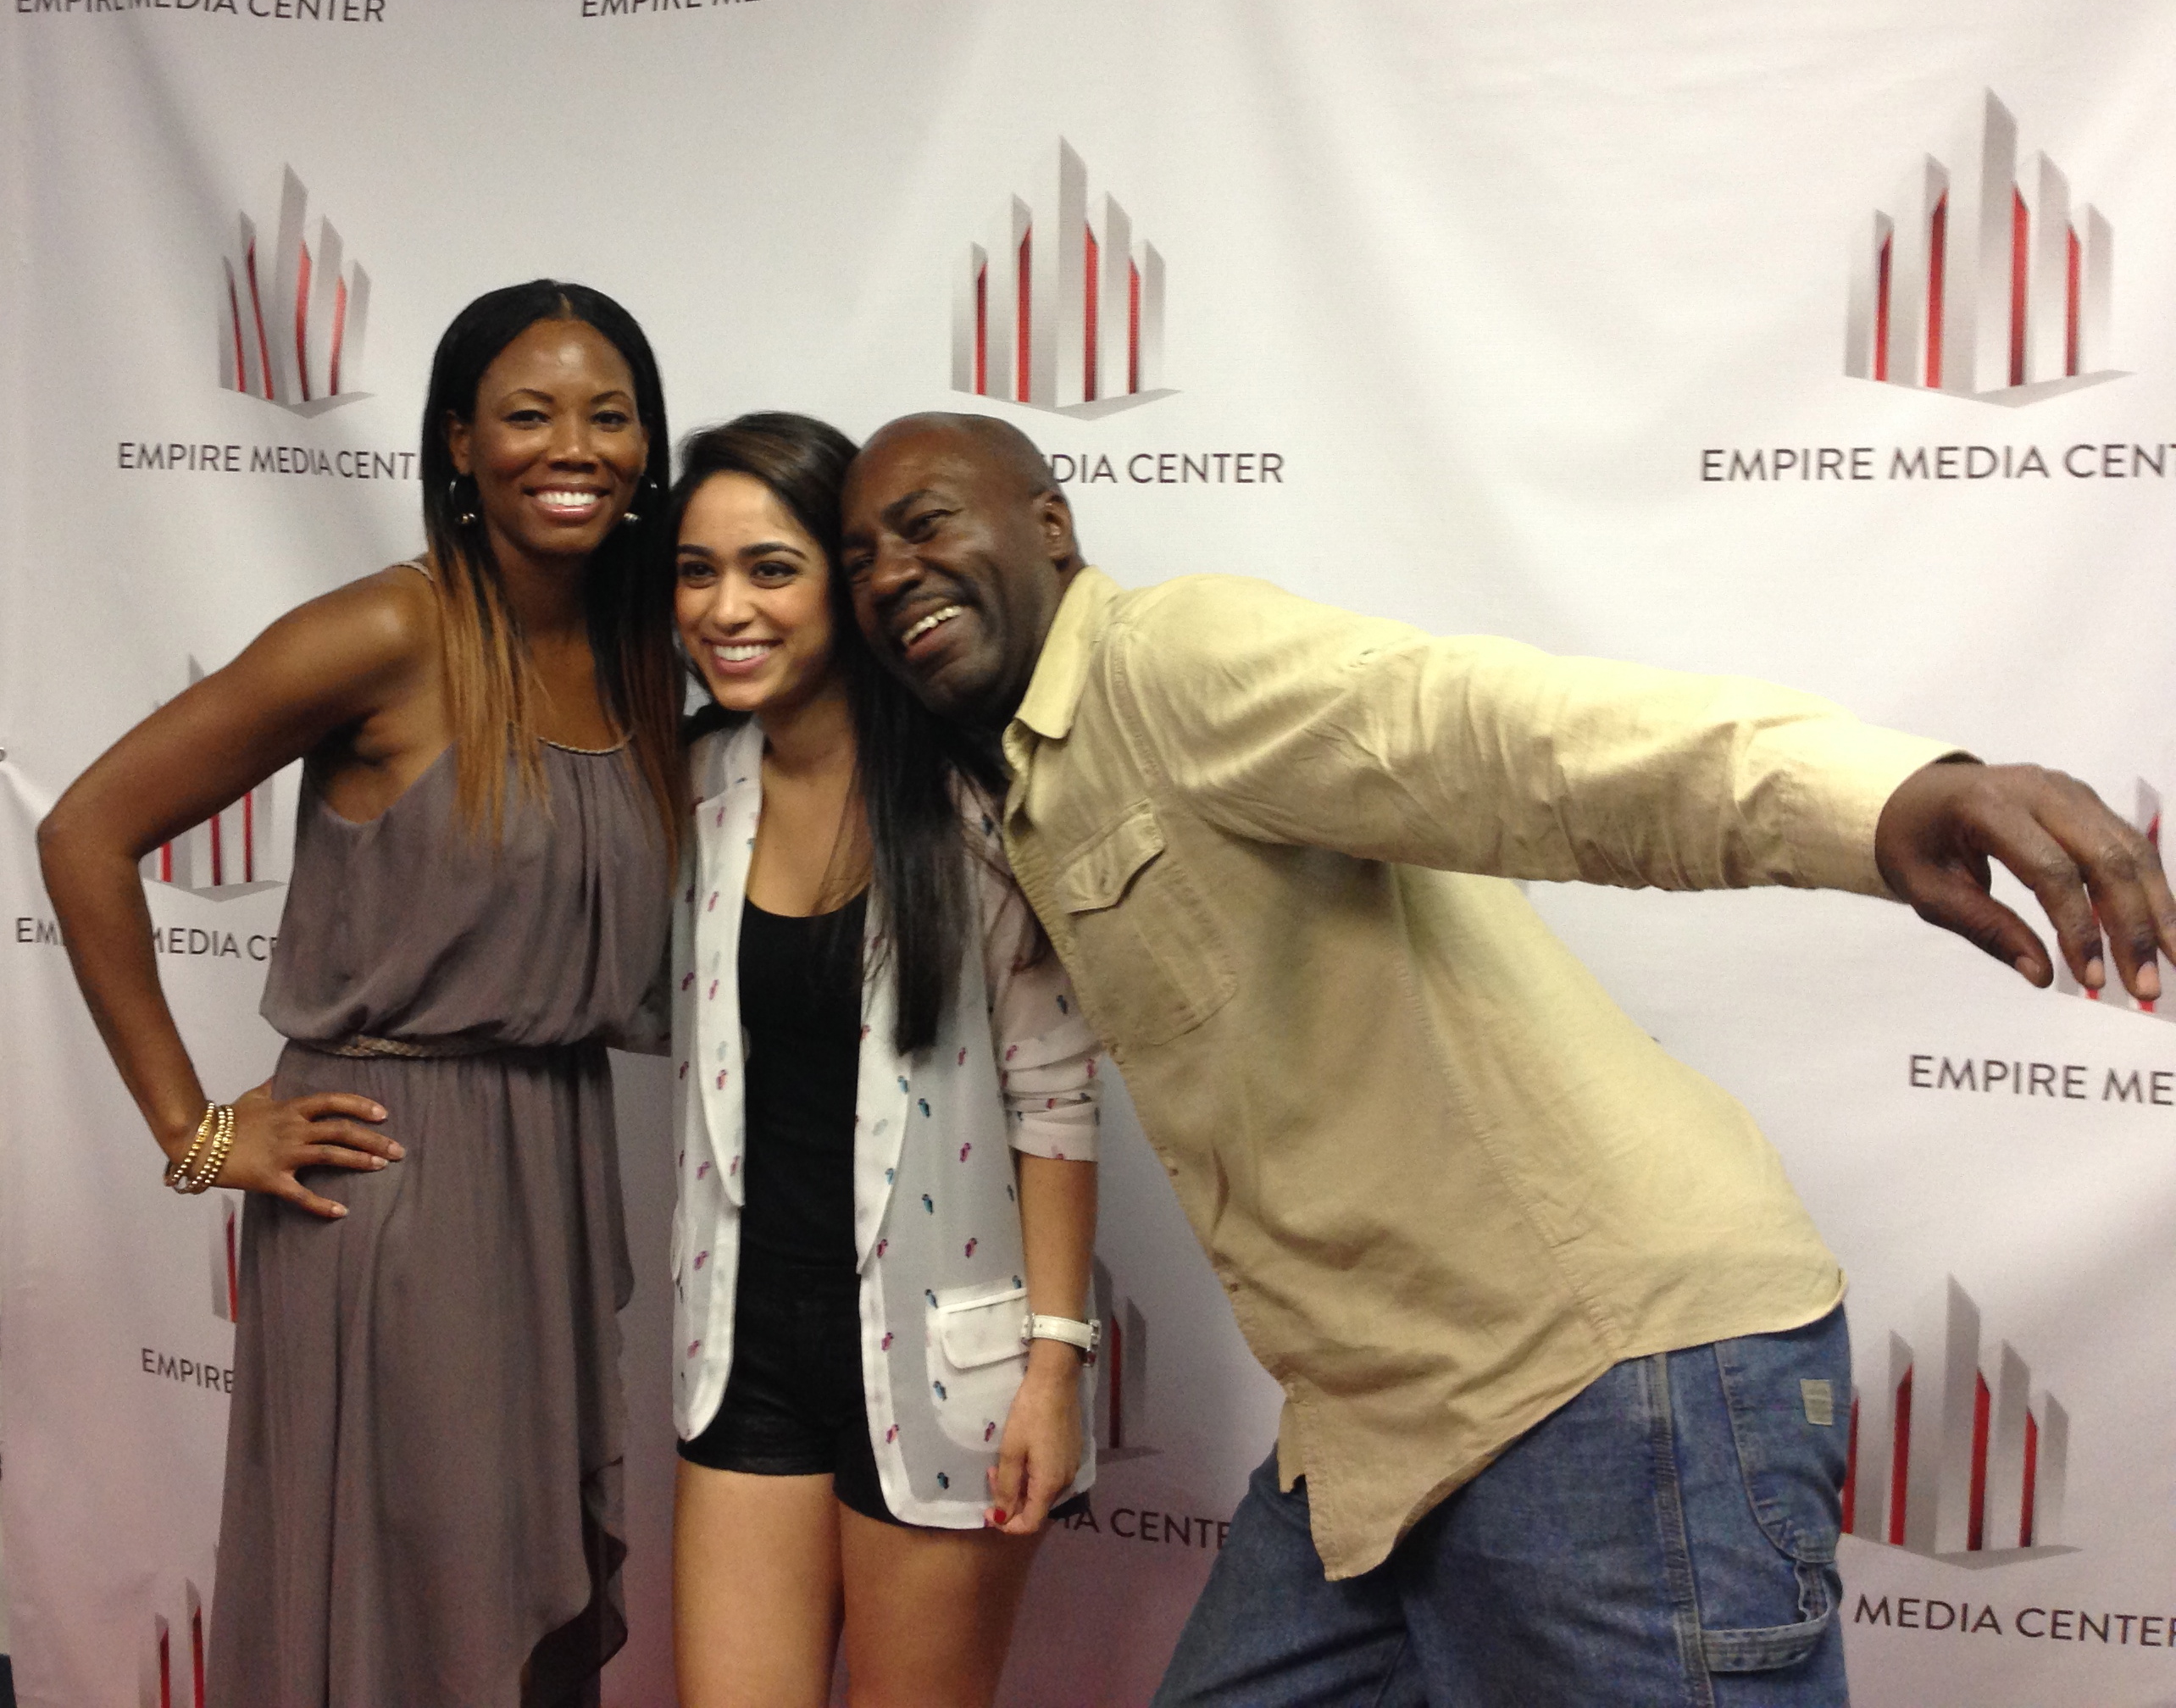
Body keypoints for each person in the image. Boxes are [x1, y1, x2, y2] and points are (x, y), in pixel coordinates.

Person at [835, 410, 2176, 1708]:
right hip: (1380, 1433)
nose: (892, 572)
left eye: (926, 524)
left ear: (1052, 528)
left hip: (1601, 1387)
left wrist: (1879, 795)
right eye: (860, 557)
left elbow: (1496, 734)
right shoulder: (1022, 787)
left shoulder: (1166, 662)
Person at [37, 280, 685, 1708]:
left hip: (557, 1180)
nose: (572, 446)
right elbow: (81, 832)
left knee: (513, 1606)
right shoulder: (386, 630)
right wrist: (197, 1130)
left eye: (610, 413)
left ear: (649, 448)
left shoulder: (640, 650)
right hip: (397, 1180)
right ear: (459, 443)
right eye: (528, 413)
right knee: (428, 1604)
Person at [666, 413, 1100, 1708]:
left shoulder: (971, 799)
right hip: (739, 1355)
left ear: (845, 594)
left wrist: (1056, 1367)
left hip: (943, 1355)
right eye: (697, 571)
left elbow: (1057, 1095)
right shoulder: (690, 787)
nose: (728, 608)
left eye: (772, 569)